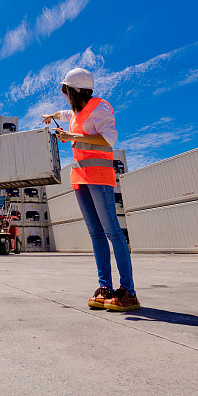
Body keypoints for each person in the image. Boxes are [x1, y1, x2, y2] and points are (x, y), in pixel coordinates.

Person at [42, 67, 140, 311]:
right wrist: (51, 114)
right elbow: (66, 113)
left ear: (75, 91)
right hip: (80, 178)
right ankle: (104, 287)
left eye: (66, 91)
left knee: (112, 232)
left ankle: (128, 291)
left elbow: (108, 139)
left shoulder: (101, 106)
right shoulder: (77, 112)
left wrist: (71, 135)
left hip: (98, 175)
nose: (65, 96)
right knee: (96, 234)